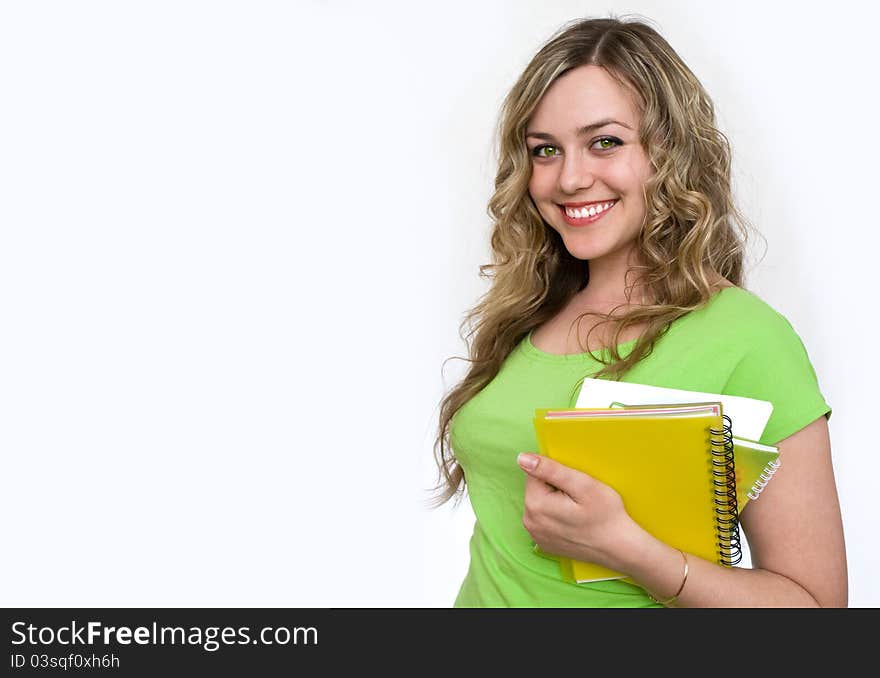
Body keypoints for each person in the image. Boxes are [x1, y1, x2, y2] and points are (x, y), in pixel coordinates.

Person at [432, 15, 847, 607]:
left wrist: (629, 550)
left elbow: (818, 614)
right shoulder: (528, 310)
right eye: (545, 150)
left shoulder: (749, 341)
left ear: (670, 151)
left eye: (605, 141)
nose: (570, 178)